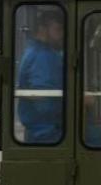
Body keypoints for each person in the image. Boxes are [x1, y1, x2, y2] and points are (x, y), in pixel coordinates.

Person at [17, 9, 64, 144]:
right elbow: (45, 103)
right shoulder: (43, 56)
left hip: (43, 131)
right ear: (43, 29)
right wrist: (78, 102)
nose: (61, 35)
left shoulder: (36, 51)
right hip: (49, 134)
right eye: (58, 30)